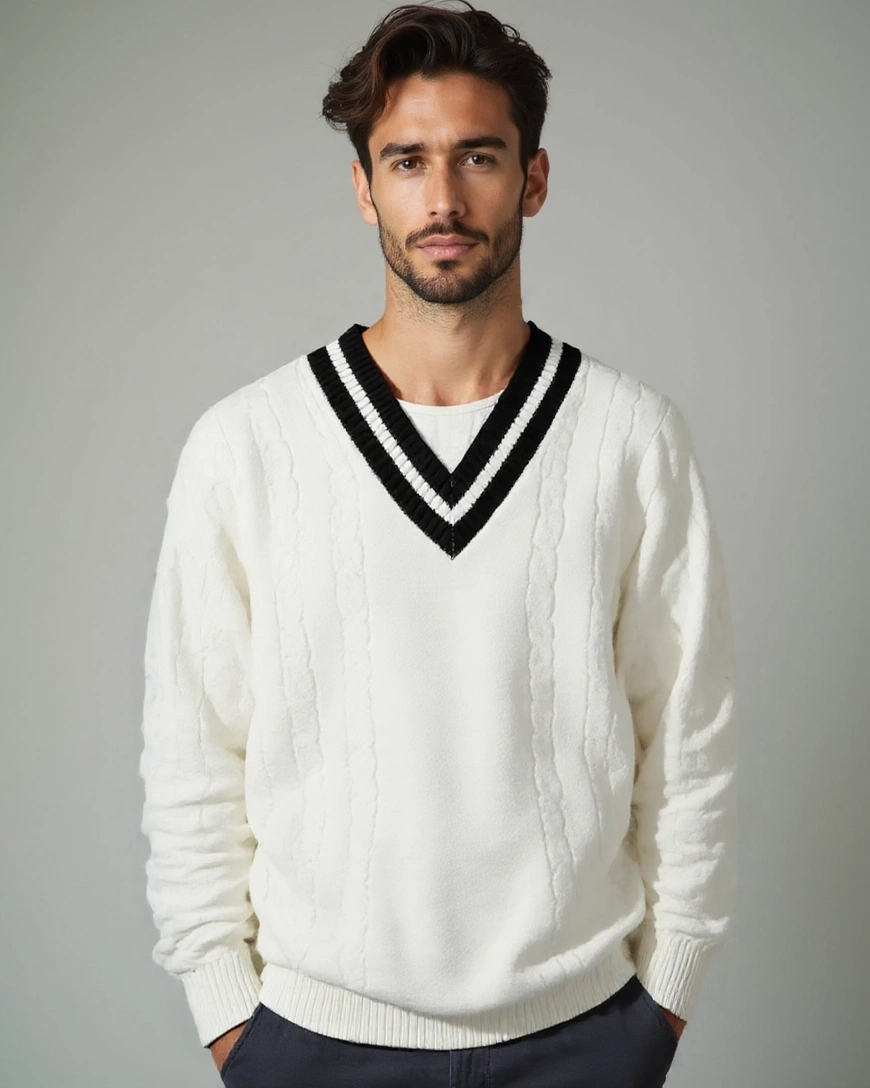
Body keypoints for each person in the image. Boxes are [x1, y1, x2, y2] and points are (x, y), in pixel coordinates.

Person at [138, 2, 738, 1085]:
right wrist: (229, 1017)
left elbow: (689, 736)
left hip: (584, 1035)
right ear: (363, 188)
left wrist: (663, 1003)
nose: (444, 198)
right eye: (407, 161)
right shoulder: (249, 445)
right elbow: (194, 749)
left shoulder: (628, 437)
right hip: (311, 1043)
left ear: (534, 179)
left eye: (479, 156)